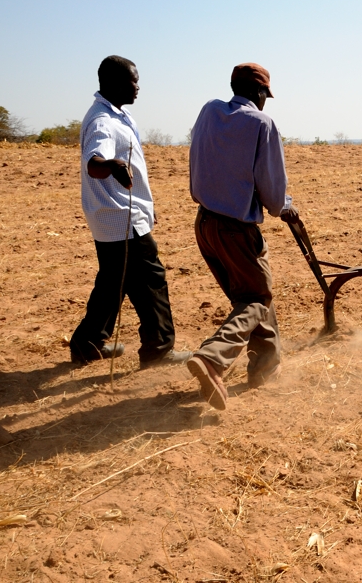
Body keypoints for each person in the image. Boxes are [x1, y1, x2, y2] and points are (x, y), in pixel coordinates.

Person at [186, 63, 299, 410]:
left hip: (205, 224)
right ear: (261, 94)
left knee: (252, 294)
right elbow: (273, 192)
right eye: (266, 95)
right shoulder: (262, 124)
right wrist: (285, 208)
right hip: (236, 228)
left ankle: (264, 367)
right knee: (256, 299)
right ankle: (213, 358)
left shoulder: (209, 111)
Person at [70, 56, 190, 369]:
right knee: (151, 280)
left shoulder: (117, 115)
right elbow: (93, 162)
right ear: (113, 83)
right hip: (120, 217)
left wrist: (145, 207)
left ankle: (87, 345)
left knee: (114, 282)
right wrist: (111, 165)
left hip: (121, 215)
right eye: (133, 81)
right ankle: (158, 350)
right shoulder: (103, 122)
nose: (138, 88)